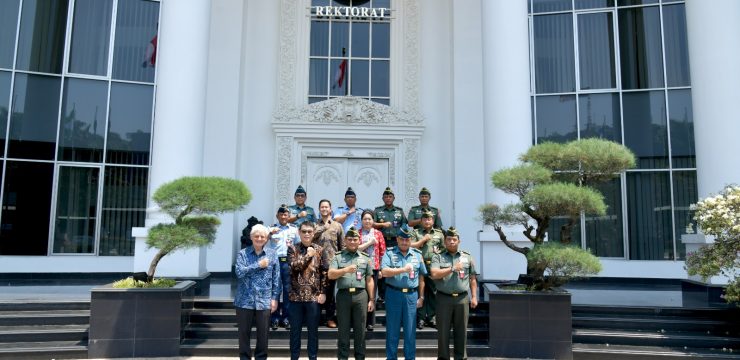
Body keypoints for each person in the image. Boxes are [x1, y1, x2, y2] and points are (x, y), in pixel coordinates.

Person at [430, 227, 479, 360]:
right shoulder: (438, 256)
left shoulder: (467, 257)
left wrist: (474, 296)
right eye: (449, 239)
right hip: (443, 299)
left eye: (454, 239)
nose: (452, 242)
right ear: (445, 242)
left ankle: (461, 357)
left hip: (462, 299)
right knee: (443, 332)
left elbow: (472, 278)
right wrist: (452, 268)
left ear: (459, 241)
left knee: (461, 332)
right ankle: (443, 358)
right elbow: (434, 274)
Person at [234, 224, 281, 360]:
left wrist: (275, 298)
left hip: (265, 300)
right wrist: (258, 265)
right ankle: (244, 357)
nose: (259, 239)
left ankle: (261, 358)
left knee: (263, 334)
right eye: (256, 236)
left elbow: (276, 279)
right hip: (244, 300)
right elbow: (239, 273)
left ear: (267, 238)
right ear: (251, 237)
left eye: (262, 236)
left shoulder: (272, 254)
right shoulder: (242, 254)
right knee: (243, 334)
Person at [380, 225, 426, 360]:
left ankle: (410, 358)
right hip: (393, 294)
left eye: (407, 240)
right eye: (402, 239)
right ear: (397, 239)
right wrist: (402, 270)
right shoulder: (389, 253)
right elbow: (384, 272)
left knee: (410, 331)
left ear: (410, 240)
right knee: (392, 331)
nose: (404, 242)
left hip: (411, 296)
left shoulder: (417, 255)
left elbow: (422, 276)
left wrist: (421, 296)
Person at [329, 227, 375, 360]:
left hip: (361, 295)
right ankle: (343, 357)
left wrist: (371, 299)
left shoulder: (365, 258)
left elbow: (369, 280)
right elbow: (331, 275)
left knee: (360, 331)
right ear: (345, 240)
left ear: (359, 240)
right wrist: (345, 270)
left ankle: (360, 357)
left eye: (355, 239)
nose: (353, 242)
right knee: (343, 331)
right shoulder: (338, 257)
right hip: (343, 296)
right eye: (350, 239)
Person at [287, 221, 326, 360]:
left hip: (314, 298)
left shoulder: (320, 250)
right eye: (304, 231)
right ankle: (294, 357)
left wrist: (323, 292)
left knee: (313, 332)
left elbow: (324, 273)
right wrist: (308, 255)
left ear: (314, 233)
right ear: (299, 232)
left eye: (309, 231)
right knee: (295, 332)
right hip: (295, 298)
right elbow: (293, 267)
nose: (307, 234)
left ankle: (313, 357)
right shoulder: (292, 249)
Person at [410, 210, 445, 329]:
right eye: (424, 219)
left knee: (433, 292)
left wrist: (439, 252)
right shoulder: (416, 232)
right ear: (421, 221)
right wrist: (423, 240)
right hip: (419, 264)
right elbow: (411, 245)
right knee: (420, 292)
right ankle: (420, 318)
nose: (427, 221)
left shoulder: (439, 234)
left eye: (429, 219)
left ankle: (431, 317)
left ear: (433, 221)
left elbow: (444, 249)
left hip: (434, 266)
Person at [267, 204, 300, 330]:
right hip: (274, 263)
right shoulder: (271, 228)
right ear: (277, 216)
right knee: (274, 289)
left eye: (286, 214)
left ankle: (286, 318)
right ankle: (274, 317)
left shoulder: (293, 229)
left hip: (287, 262)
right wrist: (269, 232)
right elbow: (262, 238)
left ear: (289, 216)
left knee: (287, 291)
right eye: (281, 214)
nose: (283, 216)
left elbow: (298, 245)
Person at [315, 198, 344, 328]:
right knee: (318, 291)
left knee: (330, 293)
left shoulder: (337, 226)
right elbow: (310, 238)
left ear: (330, 209)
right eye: (322, 207)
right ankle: (317, 318)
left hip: (332, 264)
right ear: (319, 209)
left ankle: (330, 318)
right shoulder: (315, 225)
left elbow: (342, 245)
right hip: (317, 264)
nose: (324, 209)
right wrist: (323, 228)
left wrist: (342, 262)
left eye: (327, 207)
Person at [357, 209, 385, 331]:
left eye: (369, 219)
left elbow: (383, 253)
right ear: (361, 221)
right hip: (360, 268)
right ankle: (360, 320)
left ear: (373, 220)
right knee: (361, 295)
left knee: (372, 295)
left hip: (374, 268)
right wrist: (369, 243)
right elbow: (356, 249)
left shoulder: (378, 234)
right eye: (365, 219)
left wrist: (380, 269)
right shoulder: (357, 233)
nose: (367, 221)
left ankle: (370, 322)